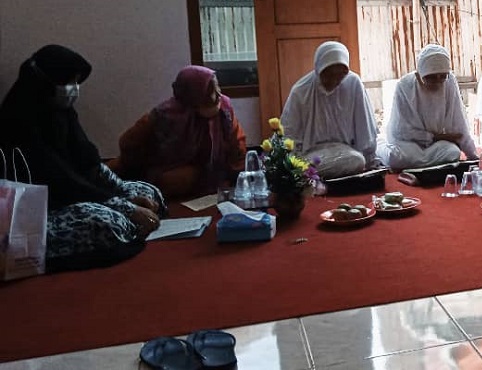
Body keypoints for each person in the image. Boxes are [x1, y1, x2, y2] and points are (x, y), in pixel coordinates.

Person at [0, 45, 165, 271]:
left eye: (77, 81)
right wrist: (124, 207)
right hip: (45, 209)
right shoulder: (19, 121)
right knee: (105, 222)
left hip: (82, 193)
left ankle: (132, 224)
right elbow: (62, 181)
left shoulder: (63, 114)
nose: (74, 89)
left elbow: (90, 164)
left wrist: (124, 194)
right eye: (68, 81)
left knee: (146, 191)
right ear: (45, 82)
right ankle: (129, 225)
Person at [114, 66, 247, 199]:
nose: (218, 94)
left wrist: (240, 176)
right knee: (182, 177)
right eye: (211, 90)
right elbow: (128, 144)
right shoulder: (165, 116)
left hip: (213, 175)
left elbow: (237, 147)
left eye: (218, 87)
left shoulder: (224, 111)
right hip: (165, 175)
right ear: (194, 95)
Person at [280, 41, 379, 179]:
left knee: (357, 160)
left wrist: (369, 158)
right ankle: (309, 175)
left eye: (340, 76)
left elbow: (364, 126)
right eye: (329, 75)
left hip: (345, 152)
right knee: (292, 167)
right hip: (311, 154)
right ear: (319, 69)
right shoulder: (300, 91)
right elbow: (288, 134)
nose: (334, 81)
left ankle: (310, 177)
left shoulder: (353, 83)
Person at [377, 44, 478, 170]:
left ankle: (419, 164)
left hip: (433, 145)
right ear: (419, 75)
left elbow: (459, 122)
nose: (437, 81)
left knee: (453, 152)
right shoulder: (405, 86)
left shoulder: (449, 81)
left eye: (442, 76)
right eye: (431, 77)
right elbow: (401, 131)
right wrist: (434, 137)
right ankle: (380, 146)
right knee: (395, 158)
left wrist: (473, 156)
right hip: (408, 142)